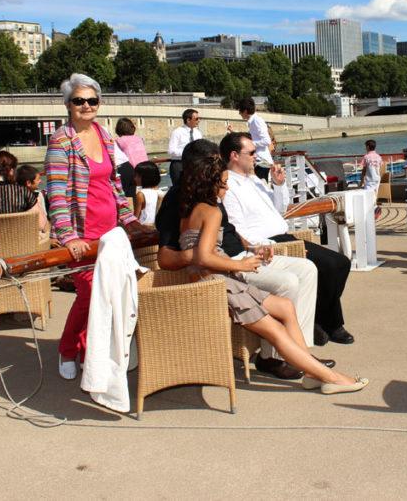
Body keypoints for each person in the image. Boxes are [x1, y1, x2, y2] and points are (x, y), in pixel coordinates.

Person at [180, 154, 367, 394]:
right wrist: (242, 265)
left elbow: (197, 253)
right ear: (210, 184)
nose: (226, 188)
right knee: (276, 330)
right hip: (218, 283)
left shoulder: (190, 211)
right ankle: (332, 378)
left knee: (286, 307)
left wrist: (247, 252)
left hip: (210, 278)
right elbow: (203, 256)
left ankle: (311, 371)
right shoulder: (212, 212)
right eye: (223, 183)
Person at [156, 138, 326, 380]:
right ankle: (273, 358)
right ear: (200, 169)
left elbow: (230, 230)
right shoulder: (178, 199)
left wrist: (254, 247)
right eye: (215, 165)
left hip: (242, 254)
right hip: (223, 266)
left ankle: (301, 352)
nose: (220, 171)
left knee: (308, 269)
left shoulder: (211, 191)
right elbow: (165, 258)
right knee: (287, 283)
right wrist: (204, 254)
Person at [45, 73, 149, 381]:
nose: (86, 106)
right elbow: (57, 192)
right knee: (90, 294)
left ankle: (92, 350)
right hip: (82, 232)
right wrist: (67, 236)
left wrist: (129, 220)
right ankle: (68, 349)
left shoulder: (104, 135)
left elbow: (115, 184)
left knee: (112, 293)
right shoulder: (60, 141)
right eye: (79, 101)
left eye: (92, 100)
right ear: (68, 104)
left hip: (111, 232)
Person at [220, 131, 355, 347]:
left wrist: (279, 184)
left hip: (285, 235)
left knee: (340, 263)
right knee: (331, 265)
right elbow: (236, 227)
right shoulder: (228, 185)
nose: (256, 156)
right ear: (234, 155)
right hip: (268, 242)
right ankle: (329, 323)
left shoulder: (254, 179)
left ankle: (321, 320)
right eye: (252, 152)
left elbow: (280, 210)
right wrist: (259, 246)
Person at [236, 98, 273, 180]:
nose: (239, 113)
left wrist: (251, 144)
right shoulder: (252, 122)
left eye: (240, 111)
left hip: (262, 162)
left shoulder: (256, 121)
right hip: (259, 162)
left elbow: (267, 140)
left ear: (245, 111)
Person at [167, 108, 202, 187]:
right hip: (179, 165)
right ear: (188, 120)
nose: (199, 120)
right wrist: (187, 152)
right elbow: (171, 151)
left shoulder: (198, 133)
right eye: (196, 119)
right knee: (179, 189)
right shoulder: (177, 132)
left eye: (199, 118)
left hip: (194, 165)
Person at [114, 118, 147, 198]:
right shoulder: (139, 138)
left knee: (127, 194)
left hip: (132, 170)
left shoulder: (119, 141)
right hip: (145, 168)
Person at [15, 164, 49, 239]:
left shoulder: (14, 197)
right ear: (28, 183)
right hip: (36, 236)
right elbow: (43, 222)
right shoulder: (38, 196)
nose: (40, 181)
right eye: (38, 179)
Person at [132, 161, 163, 226]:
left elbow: (136, 218)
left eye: (137, 176)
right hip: (157, 227)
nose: (135, 178)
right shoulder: (161, 192)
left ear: (145, 178)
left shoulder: (141, 194)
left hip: (144, 228)